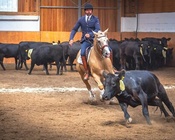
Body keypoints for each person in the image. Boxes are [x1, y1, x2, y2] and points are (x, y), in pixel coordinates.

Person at [69, 3, 101, 80]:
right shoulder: (81, 19)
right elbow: (74, 29)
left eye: (90, 10)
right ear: (85, 11)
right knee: (83, 52)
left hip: (94, 40)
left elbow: (98, 29)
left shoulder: (96, 19)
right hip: (85, 41)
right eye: (87, 10)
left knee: (108, 49)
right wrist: (71, 38)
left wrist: (90, 34)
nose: (89, 11)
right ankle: (87, 71)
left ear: (92, 11)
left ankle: (111, 68)